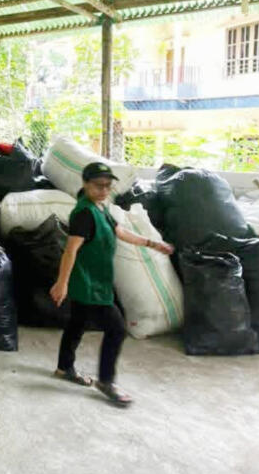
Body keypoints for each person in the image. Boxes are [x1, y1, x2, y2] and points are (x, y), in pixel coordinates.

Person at [49, 161, 173, 407]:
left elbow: (120, 231)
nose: (104, 190)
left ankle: (64, 368)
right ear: (85, 184)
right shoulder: (84, 213)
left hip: (97, 281)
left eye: (108, 186)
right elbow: (70, 251)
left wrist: (152, 243)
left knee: (77, 324)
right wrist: (61, 283)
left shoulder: (99, 207)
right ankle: (106, 381)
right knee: (117, 329)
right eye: (98, 186)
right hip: (89, 285)